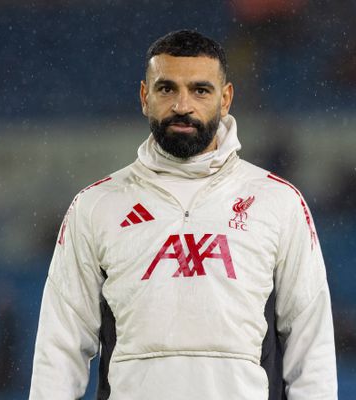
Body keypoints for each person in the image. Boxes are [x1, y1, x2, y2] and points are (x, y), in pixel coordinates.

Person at [29, 29, 337, 400]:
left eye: (200, 90)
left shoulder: (278, 202)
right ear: (145, 97)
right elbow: (59, 347)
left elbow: (311, 346)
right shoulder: (96, 206)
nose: (182, 105)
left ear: (225, 99)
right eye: (166, 89)